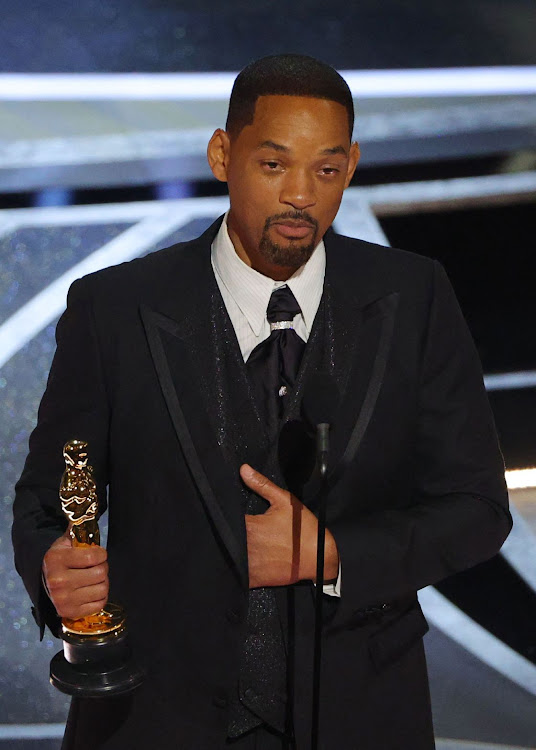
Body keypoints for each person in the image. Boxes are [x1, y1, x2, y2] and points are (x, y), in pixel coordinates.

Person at [12, 54, 511, 750]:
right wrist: (52, 568)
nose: (301, 195)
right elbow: (46, 504)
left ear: (353, 166)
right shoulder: (115, 309)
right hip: (155, 720)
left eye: (327, 170)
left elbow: (478, 512)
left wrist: (331, 552)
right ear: (223, 154)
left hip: (360, 718)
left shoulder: (415, 297)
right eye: (274, 166)